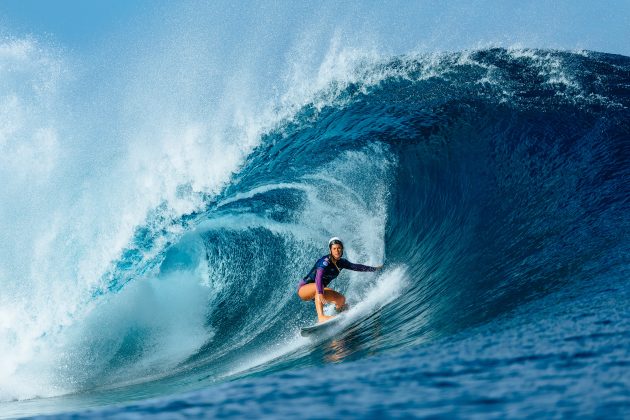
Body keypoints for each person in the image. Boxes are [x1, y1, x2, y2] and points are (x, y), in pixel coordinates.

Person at [297, 237, 382, 323]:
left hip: (319, 289)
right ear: (330, 250)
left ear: (342, 249)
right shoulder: (325, 261)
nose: (337, 251)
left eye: (339, 248)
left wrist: (374, 269)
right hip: (304, 289)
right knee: (320, 287)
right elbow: (318, 277)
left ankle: (340, 315)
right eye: (334, 248)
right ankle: (321, 317)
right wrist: (320, 292)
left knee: (341, 299)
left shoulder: (342, 262)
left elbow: (356, 267)